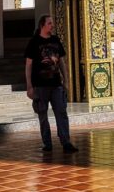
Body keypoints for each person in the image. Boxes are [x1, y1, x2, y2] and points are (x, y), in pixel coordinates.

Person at [24, 15, 77, 153]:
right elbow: (28, 65)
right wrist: (29, 85)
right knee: (42, 115)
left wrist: (66, 80)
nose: (52, 25)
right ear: (42, 25)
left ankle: (66, 142)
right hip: (40, 85)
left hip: (56, 84)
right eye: (49, 23)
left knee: (61, 112)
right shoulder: (34, 42)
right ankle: (47, 143)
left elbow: (61, 62)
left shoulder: (55, 40)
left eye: (52, 23)